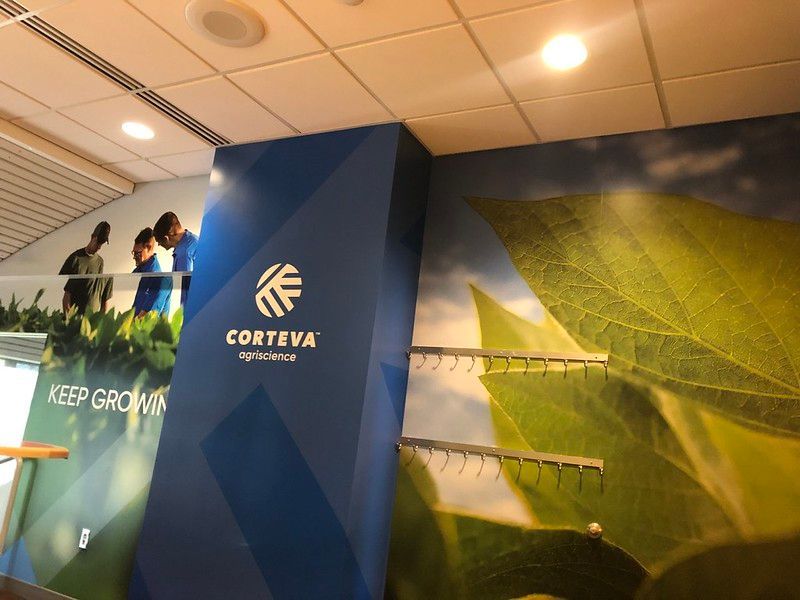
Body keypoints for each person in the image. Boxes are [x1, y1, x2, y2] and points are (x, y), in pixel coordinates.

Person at [58, 221, 113, 314]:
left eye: (102, 243)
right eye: (98, 242)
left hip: (91, 317)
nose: (99, 246)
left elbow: (96, 289)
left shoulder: (100, 262)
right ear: (92, 237)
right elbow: (66, 291)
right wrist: (69, 317)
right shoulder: (75, 258)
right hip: (75, 314)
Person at [153, 212, 198, 306]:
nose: (159, 245)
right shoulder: (192, 240)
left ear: (166, 238)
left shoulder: (184, 253)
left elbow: (188, 289)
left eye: (159, 241)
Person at [131, 227, 171, 317]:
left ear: (148, 247)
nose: (134, 257)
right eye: (133, 253)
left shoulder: (159, 279)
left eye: (137, 253)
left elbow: (146, 316)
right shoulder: (141, 271)